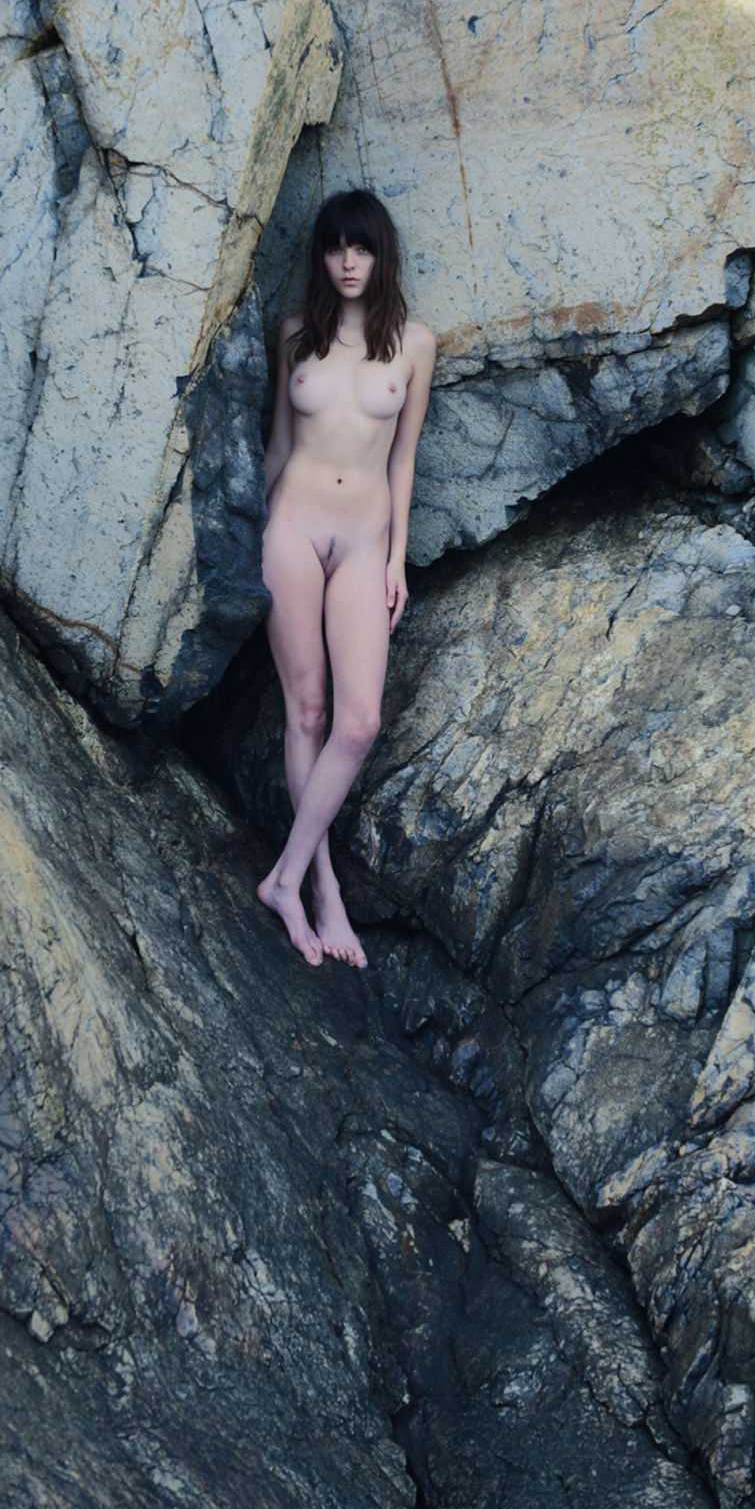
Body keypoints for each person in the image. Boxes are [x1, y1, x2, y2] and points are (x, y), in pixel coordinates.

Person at [255, 188, 438, 968]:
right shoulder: (296, 334)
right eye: (335, 248)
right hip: (293, 527)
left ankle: (283, 877)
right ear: (322, 257)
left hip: (365, 540)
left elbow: (405, 459)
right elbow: (277, 444)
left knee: (358, 722)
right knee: (307, 709)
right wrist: (257, 534)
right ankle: (320, 891)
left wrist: (396, 559)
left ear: (381, 254)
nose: (348, 262)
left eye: (360, 247)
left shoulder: (415, 345)